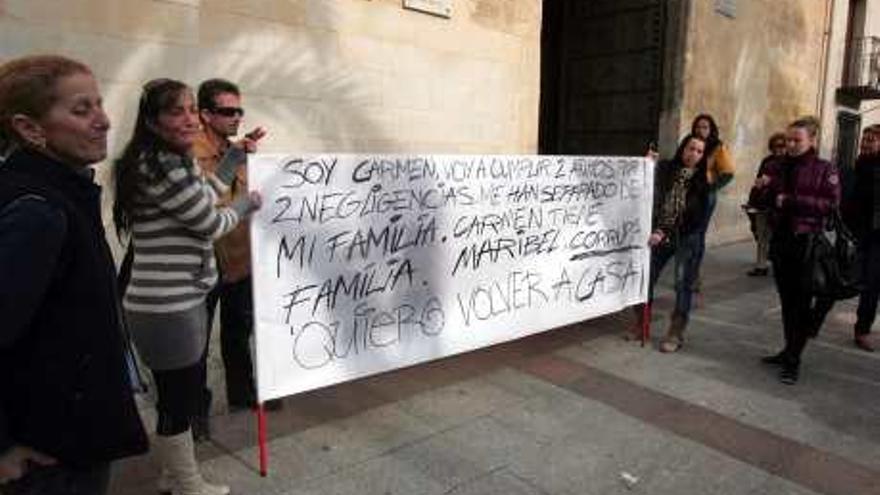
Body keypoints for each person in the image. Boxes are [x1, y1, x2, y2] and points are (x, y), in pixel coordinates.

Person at [0, 55, 147, 495]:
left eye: (99, 105)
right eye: (81, 110)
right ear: (30, 129)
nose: (102, 121)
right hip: (48, 454)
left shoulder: (60, 194)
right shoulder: (37, 211)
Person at [113, 78, 261, 495]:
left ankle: (173, 476)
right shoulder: (163, 164)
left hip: (173, 302)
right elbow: (211, 221)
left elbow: (208, 192)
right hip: (168, 305)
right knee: (179, 399)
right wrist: (248, 203)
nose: (189, 118)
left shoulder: (166, 160)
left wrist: (233, 158)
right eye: (176, 111)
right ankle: (188, 484)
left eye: (191, 109)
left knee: (176, 395)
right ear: (153, 121)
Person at [193, 79, 276, 422]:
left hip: (240, 260)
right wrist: (233, 157)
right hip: (204, 264)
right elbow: (206, 202)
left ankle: (243, 394)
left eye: (239, 110)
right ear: (206, 114)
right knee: (196, 343)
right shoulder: (191, 153)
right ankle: (194, 415)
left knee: (239, 331)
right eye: (228, 111)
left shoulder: (238, 150)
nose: (236, 117)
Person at [758, 116, 839, 385]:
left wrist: (792, 201)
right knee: (787, 302)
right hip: (781, 242)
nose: (790, 144)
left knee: (801, 305)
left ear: (812, 140)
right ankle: (789, 350)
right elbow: (765, 200)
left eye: (797, 140)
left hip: (807, 243)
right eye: (788, 139)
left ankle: (793, 360)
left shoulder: (825, 169)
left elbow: (830, 205)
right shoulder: (777, 166)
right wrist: (763, 189)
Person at [630, 134, 710, 352]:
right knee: (646, 279)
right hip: (659, 234)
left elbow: (696, 217)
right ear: (683, 148)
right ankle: (642, 324)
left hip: (685, 237)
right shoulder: (665, 169)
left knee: (683, 284)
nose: (694, 154)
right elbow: (644, 184)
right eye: (691, 148)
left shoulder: (702, 182)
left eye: (699, 151)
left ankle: (676, 332)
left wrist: (665, 232)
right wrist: (646, 164)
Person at [690, 114, 735, 293]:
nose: (701, 130)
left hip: (704, 197)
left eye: (705, 127)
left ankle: (693, 276)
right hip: (688, 193)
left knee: (698, 234)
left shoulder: (717, 147)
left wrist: (711, 188)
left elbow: (729, 172)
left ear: (711, 130)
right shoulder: (690, 143)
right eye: (698, 127)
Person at [847, 124, 880, 352]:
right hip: (862, 233)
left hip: (876, 234)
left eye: (871, 140)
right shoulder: (859, 165)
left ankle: (862, 329)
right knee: (865, 282)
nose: (866, 143)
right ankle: (861, 330)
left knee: (872, 284)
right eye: (864, 139)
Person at [743, 132, 787, 276]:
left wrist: (771, 181)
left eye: (781, 146)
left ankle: (780, 264)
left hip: (779, 206)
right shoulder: (766, 161)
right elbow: (758, 181)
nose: (778, 149)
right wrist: (751, 201)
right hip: (763, 202)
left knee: (778, 237)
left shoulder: (790, 163)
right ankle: (761, 265)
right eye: (775, 146)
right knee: (761, 235)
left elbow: (788, 184)